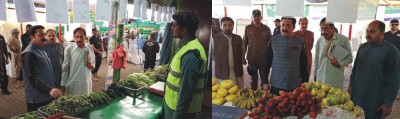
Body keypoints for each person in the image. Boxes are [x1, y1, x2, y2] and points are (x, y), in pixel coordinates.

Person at [349, 20, 400, 118]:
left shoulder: (391, 51)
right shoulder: (363, 47)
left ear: (381, 33)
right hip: (357, 94)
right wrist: (351, 85)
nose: (368, 34)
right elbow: (355, 69)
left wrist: (388, 103)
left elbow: (395, 79)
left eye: (372, 31)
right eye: (367, 31)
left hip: (375, 99)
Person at [163, 11, 208, 119]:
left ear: (183, 30)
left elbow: (186, 90)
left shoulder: (191, 54)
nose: (171, 28)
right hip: (170, 104)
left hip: (181, 111)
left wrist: (178, 115)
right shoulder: (186, 46)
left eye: (174, 25)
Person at [21, 25, 63, 112]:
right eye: (40, 35)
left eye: (44, 34)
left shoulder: (40, 48)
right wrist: (49, 90)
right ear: (32, 37)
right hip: (37, 99)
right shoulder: (29, 53)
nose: (44, 37)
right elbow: (32, 78)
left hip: (46, 95)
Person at [264, 17, 309, 96]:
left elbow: (303, 64)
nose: (284, 28)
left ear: (294, 27)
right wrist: (265, 82)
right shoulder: (273, 41)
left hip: (294, 85)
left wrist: (304, 82)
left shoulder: (299, 42)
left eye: (288, 25)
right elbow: (266, 62)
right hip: (276, 85)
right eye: (283, 25)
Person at [314, 18, 353, 89]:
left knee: (334, 98)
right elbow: (316, 59)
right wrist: (315, 74)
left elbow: (350, 58)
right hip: (321, 77)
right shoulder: (320, 40)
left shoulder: (343, 40)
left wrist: (339, 63)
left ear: (332, 28)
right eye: (321, 29)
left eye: (326, 29)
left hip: (335, 79)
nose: (323, 32)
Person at [243, 9, 272, 90]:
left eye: (258, 16)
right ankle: (254, 93)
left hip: (264, 59)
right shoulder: (248, 28)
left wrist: (271, 58)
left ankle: (263, 96)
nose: (256, 18)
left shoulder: (266, 29)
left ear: (261, 17)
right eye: (255, 16)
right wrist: (242, 57)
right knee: (253, 78)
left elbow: (270, 45)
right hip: (252, 58)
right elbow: (244, 43)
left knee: (264, 78)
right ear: (252, 17)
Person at [61, 28, 95, 96]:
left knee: (86, 102)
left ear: (85, 37)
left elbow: (93, 63)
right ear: (74, 37)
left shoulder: (89, 48)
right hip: (73, 84)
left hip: (86, 83)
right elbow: (65, 68)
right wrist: (62, 84)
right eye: (77, 37)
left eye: (81, 37)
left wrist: (92, 66)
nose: (79, 39)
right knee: (74, 104)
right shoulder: (69, 49)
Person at [213, 17, 244, 88]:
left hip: (237, 72)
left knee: (238, 93)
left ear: (233, 26)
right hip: (222, 72)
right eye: (225, 25)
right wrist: (222, 61)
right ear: (221, 26)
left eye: (230, 25)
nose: (227, 28)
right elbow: (213, 55)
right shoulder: (215, 39)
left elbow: (243, 51)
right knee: (223, 95)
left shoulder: (238, 38)